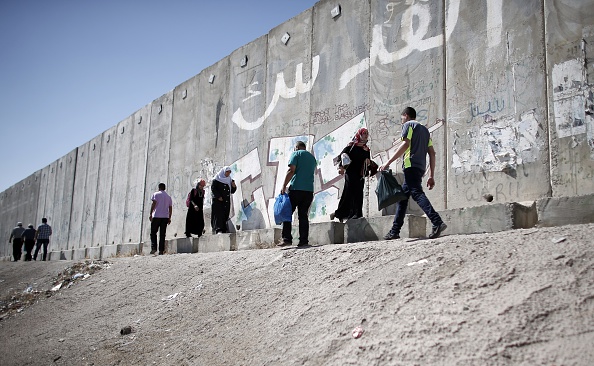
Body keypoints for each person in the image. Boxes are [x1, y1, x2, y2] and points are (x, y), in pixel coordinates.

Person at [379, 107, 447, 240]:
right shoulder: (425, 131)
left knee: (416, 193)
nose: (402, 121)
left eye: (402, 118)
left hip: (410, 165)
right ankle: (395, 231)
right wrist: (431, 175)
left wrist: (387, 163)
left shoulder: (408, 125)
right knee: (402, 199)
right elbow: (432, 153)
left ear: (406, 115)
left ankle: (437, 221)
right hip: (420, 167)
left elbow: (405, 144)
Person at [278, 140, 317, 247]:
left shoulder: (296, 154)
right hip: (309, 190)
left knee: (287, 213)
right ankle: (303, 241)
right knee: (303, 215)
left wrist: (283, 186)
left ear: (296, 147)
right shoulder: (312, 158)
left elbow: (291, 170)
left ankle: (287, 239)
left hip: (296, 189)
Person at [330, 127, 372, 222]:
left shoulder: (366, 149)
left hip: (360, 174)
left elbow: (367, 161)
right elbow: (342, 156)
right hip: (351, 173)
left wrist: (369, 163)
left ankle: (355, 214)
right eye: (364, 133)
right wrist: (341, 168)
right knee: (350, 193)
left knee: (359, 193)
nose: (366, 135)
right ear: (359, 135)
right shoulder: (351, 146)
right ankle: (343, 213)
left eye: (367, 133)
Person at [210, 167, 237, 234]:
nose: (228, 173)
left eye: (229, 172)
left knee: (225, 215)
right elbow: (213, 188)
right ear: (223, 172)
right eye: (227, 172)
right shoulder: (217, 179)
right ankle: (218, 229)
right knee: (219, 215)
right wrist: (218, 196)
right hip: (218, 201)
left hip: (226, 201)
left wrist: (234, 186)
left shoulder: (230, 180)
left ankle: (223, 229)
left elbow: (232, 191)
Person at [149, 183, 172, 255]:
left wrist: (150, 214)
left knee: (153, 233)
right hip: (165, 217)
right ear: (165, 188)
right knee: (162, 234)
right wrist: (169, 217)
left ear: (159, 188)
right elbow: (170, 208)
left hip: (156, 216)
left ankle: (154, 248)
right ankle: (161, 250)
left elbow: (154, 204)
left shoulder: (156, 194)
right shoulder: (168, 197)